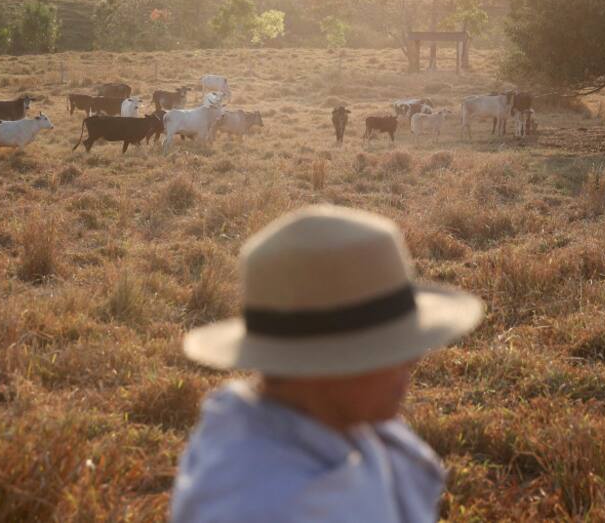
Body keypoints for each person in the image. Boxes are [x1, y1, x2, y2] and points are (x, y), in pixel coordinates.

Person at [171, 205, 483, 523]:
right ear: (322, 364)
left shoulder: (339, 422)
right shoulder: (264, 507)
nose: (414, 358)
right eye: (390, 347)